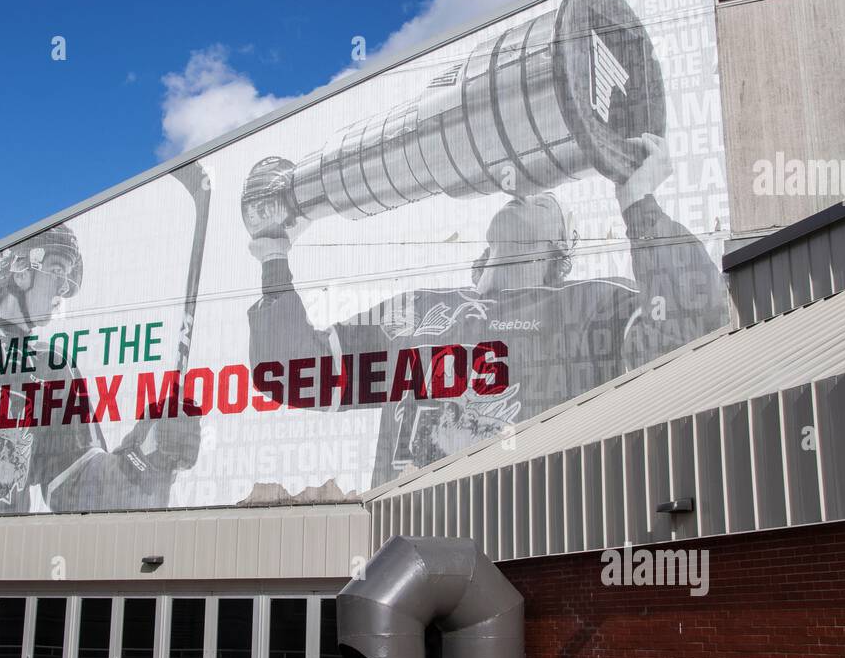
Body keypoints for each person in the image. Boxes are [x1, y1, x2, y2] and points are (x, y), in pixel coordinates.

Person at [246, 134, 729, 486]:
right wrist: (274, 255)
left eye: (544, 196)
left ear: (561, 245)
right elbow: (290, 373)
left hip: (528, 545)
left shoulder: (594, 303)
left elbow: (691, 328)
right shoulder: (415, 310)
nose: (526, 189)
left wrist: (638, 200)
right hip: (405, 544)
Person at [0, 224, 200, 515]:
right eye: (58, 270)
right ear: (21, 271)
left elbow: (75, 487)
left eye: (68, 279)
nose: (63, 289)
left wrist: (146, 457)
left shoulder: (55, 369)